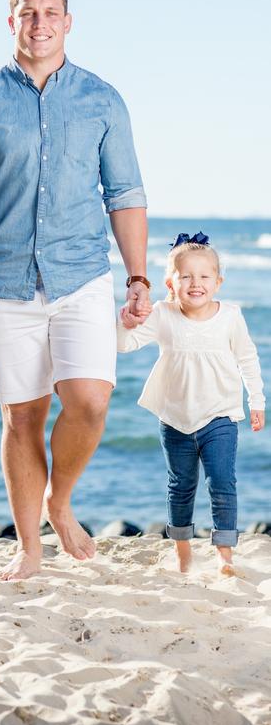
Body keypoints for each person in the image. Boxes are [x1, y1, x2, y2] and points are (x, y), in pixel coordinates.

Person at [0, 0, 150, 581]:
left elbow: (125, 195)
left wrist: (139, 278)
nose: (40, 23)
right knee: (22, 416)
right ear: (12, 22)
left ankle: (60, 497)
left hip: (82, 277)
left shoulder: (102, 100)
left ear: (68, 23)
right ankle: (28, 547)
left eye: (51, 12)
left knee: (91, 402)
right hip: (5, 283)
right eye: (28, 13)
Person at [117, 234, 265, 575]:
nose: (195, 283)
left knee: (223, 482)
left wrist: (256, 400)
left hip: (220, 416)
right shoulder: (163, 314)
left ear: (218, 282)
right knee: (180, 486)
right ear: (171, 282)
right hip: (175, 419)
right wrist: (125, 324)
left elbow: (248, 359)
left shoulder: (230, 316)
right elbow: (126, 345)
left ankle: (224, 556)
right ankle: (183, 550)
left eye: (204, 276)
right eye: (186, 276)